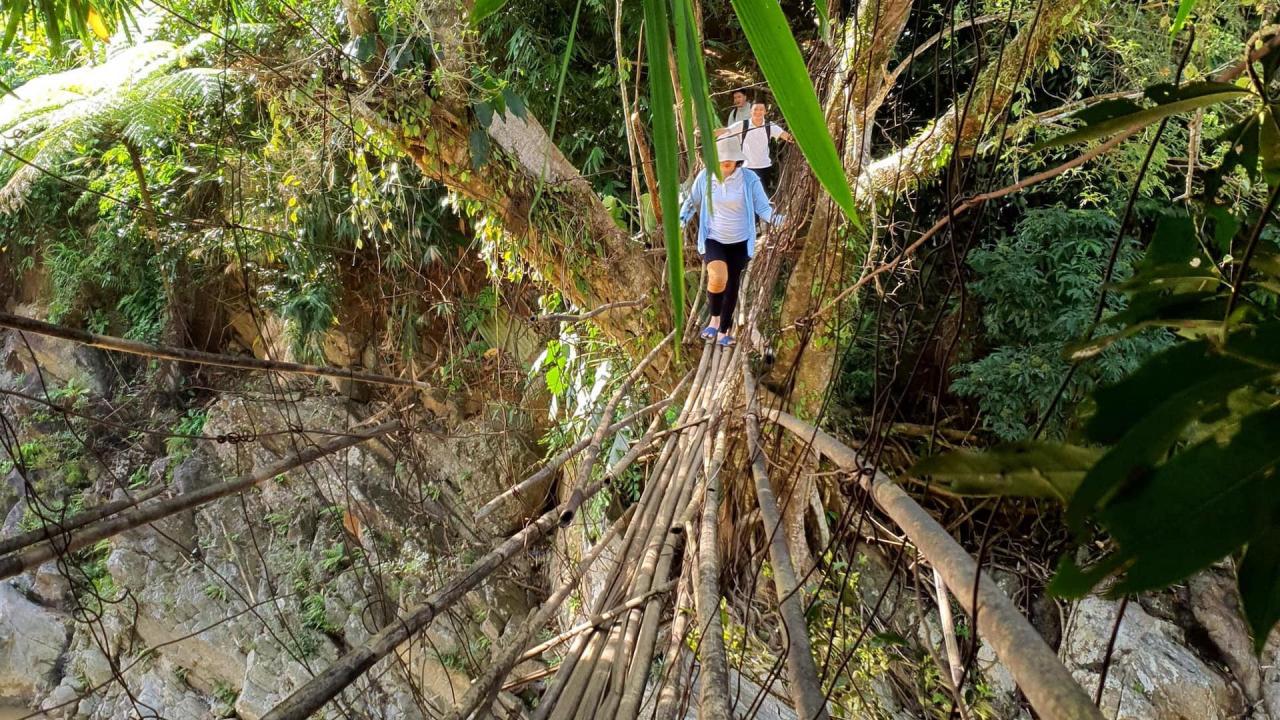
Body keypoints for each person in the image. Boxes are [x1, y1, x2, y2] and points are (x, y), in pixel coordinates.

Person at [679, 135, 783, 347]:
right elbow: (692, 202)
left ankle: (724, 330)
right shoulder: (706, 177)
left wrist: (780, 221)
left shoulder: (749, 179)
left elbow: (763, 208)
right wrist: (680, 222)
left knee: (733, 283)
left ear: (738, 159)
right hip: (714, 238)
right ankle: (714, 319)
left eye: (730, 158)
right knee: (718, 278)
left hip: (740, 241)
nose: (726, 162)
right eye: (721, 158)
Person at [719, 102, 792, 195]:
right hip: (747, 167)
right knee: (747, 196)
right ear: (751, 111)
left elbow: (786, 136)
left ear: (765, 112)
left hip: (764, 167)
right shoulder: (743, 125)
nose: (758, 112)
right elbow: (726, 131)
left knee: (763, 196)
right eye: (755, 109)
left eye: (761, 109)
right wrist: (705, 133)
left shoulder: (770, 126)